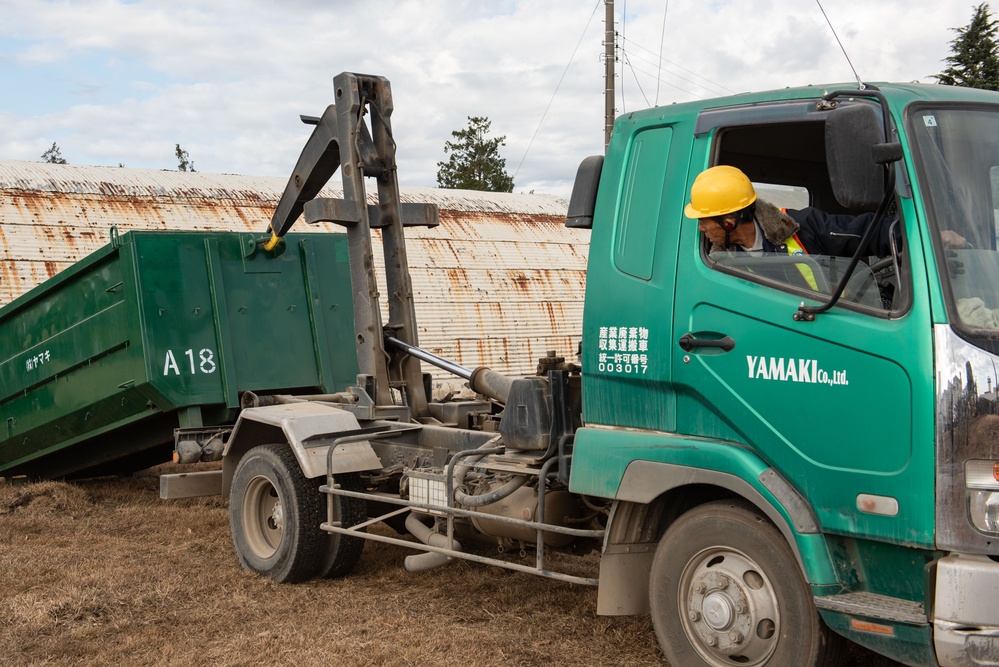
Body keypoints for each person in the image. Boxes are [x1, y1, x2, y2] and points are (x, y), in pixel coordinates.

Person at [684, 165, 900, 258]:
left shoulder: (802, 225)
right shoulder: (714, 260)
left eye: (704, 220)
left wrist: (921, 238)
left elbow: (871, 233)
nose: (700, 228)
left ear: (729, 221)